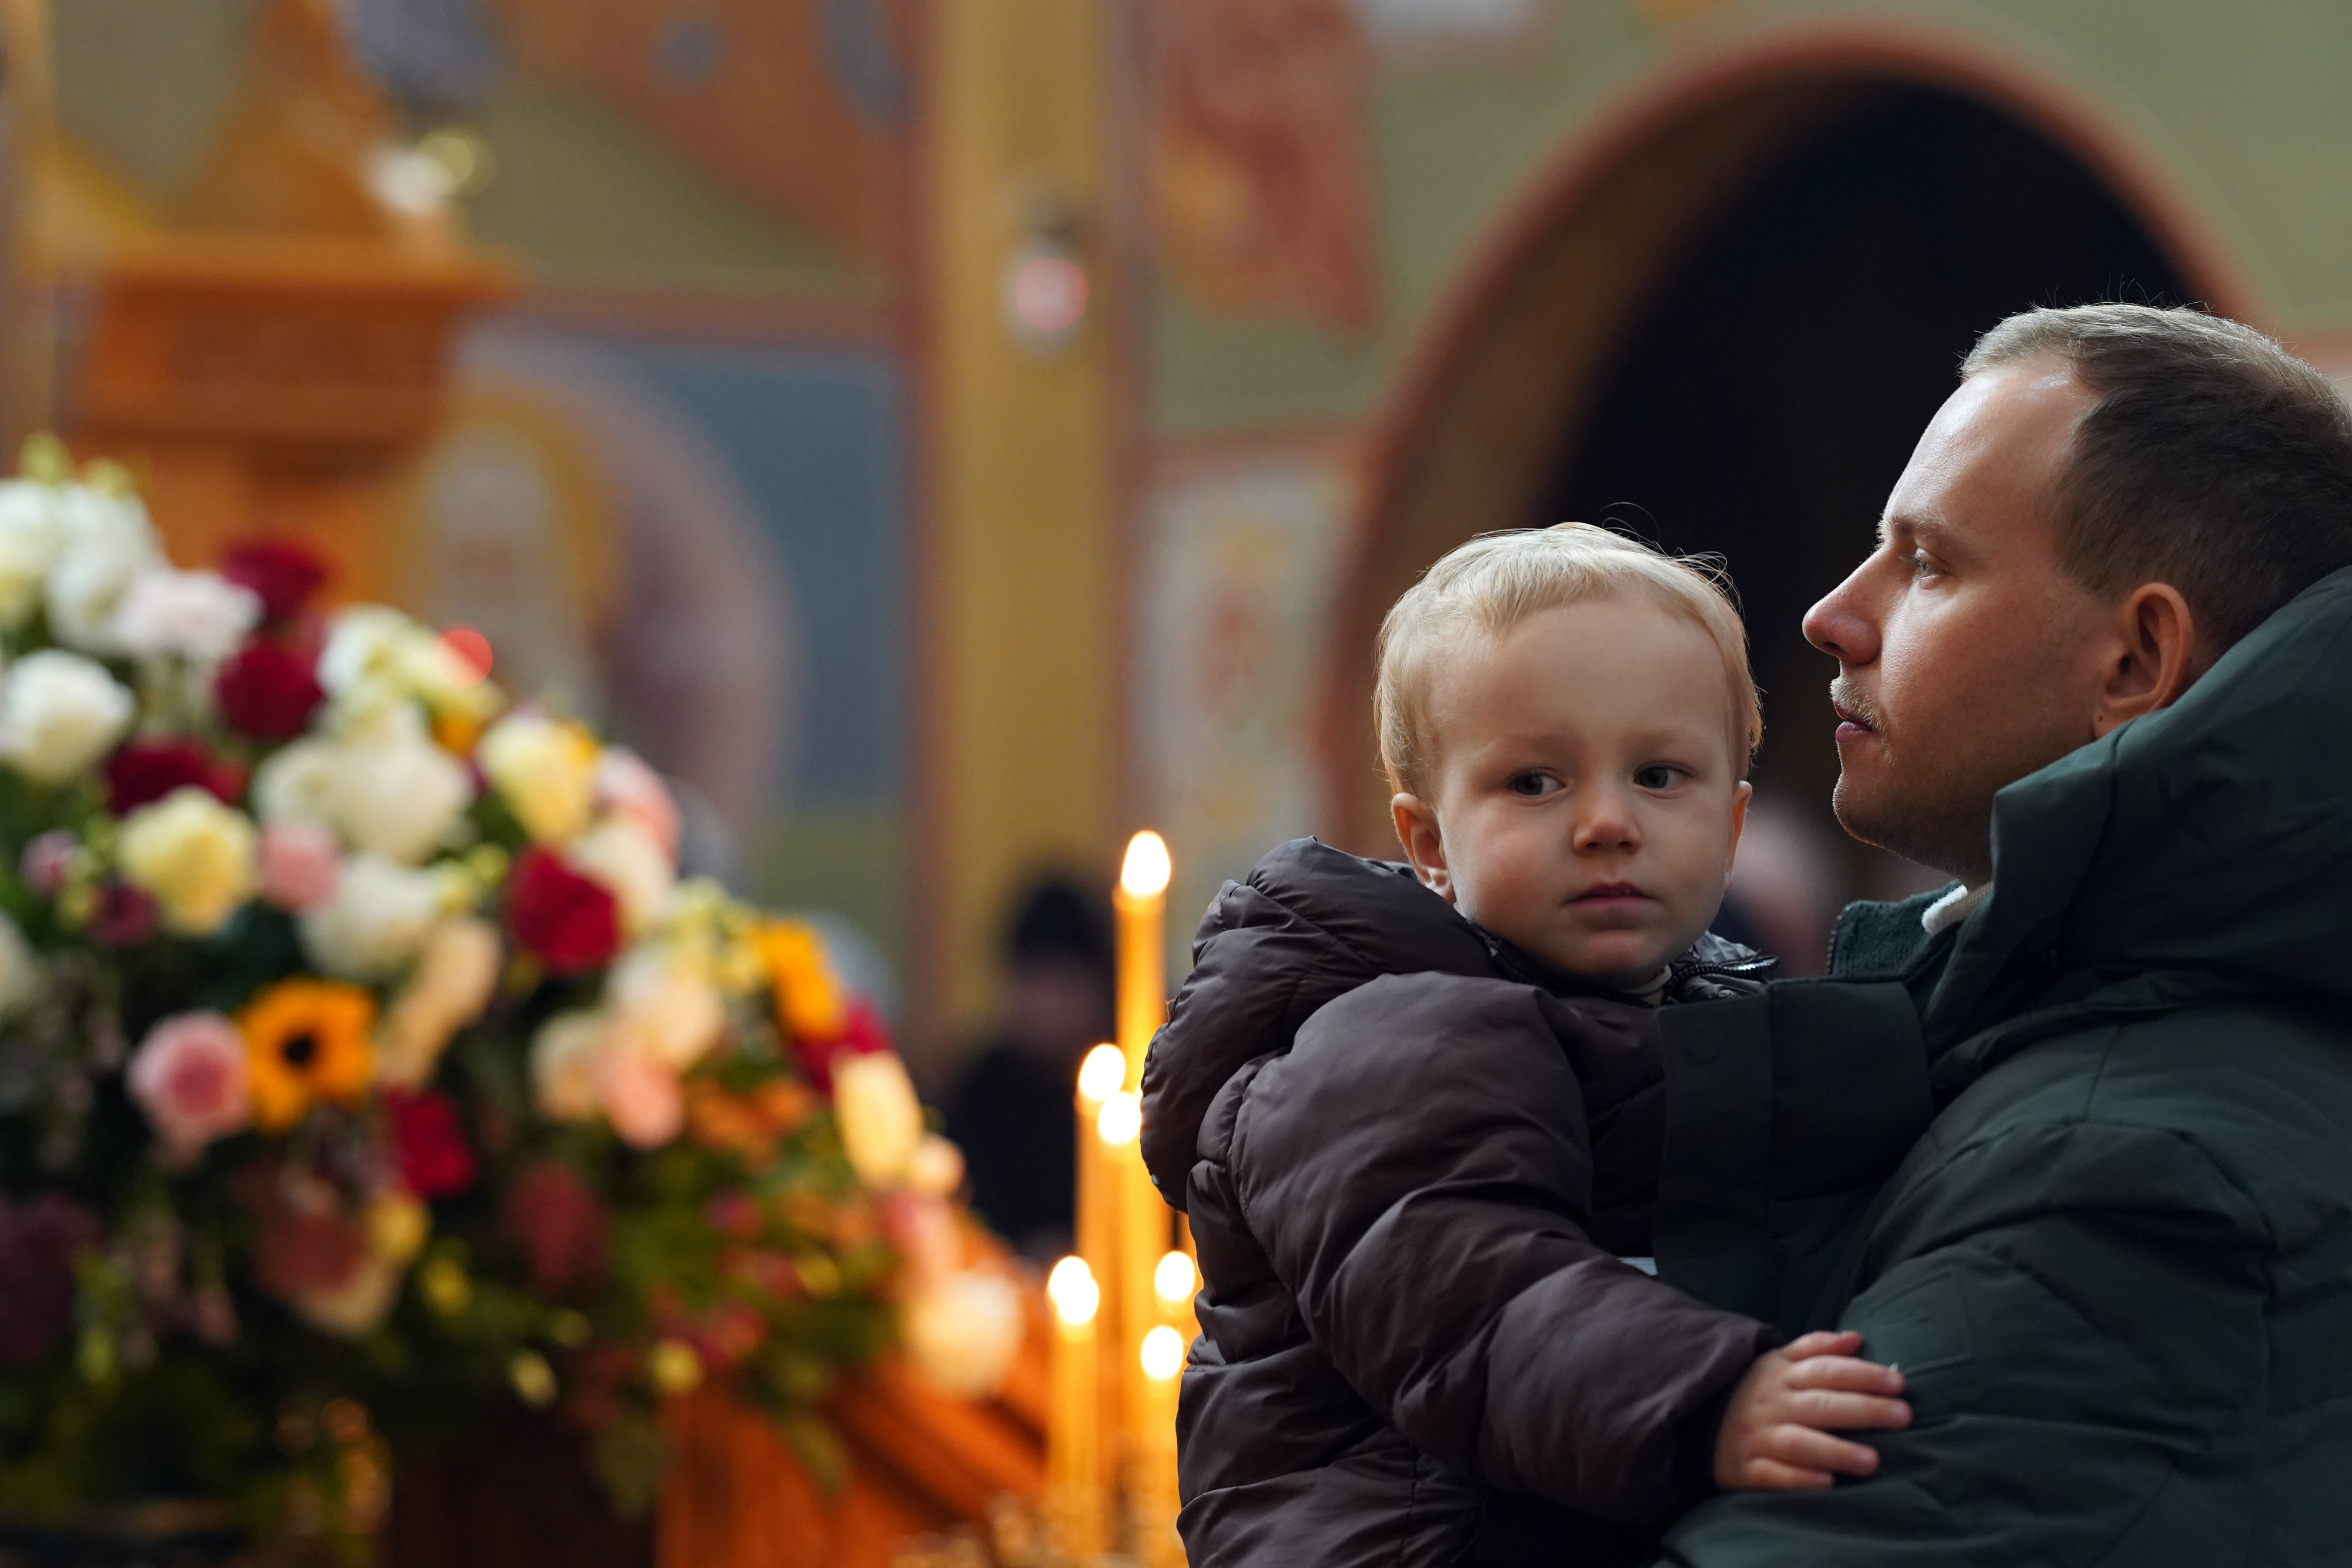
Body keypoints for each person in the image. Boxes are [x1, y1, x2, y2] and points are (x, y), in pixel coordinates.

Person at [1652, 303, 2352, 1564]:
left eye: (1923, 562)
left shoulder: (2129, 1173)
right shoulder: (2090, 1061)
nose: (1828, 615)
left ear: (2134, 659)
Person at [1141, 526, 1911, 1568]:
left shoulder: (1706, 1016)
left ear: (1732, 828)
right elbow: (1478, 1299)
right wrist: (1706, 1394)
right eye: (1535, 783)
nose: (1605, 821)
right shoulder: (1389, 1037)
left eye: (1657, 773)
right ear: (1429, 846)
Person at [944, 877, 1114, 1262]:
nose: (1044, 1004)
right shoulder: (983, 1087)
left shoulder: (1134, 1083)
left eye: (1062, 983)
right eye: (1030, 980)